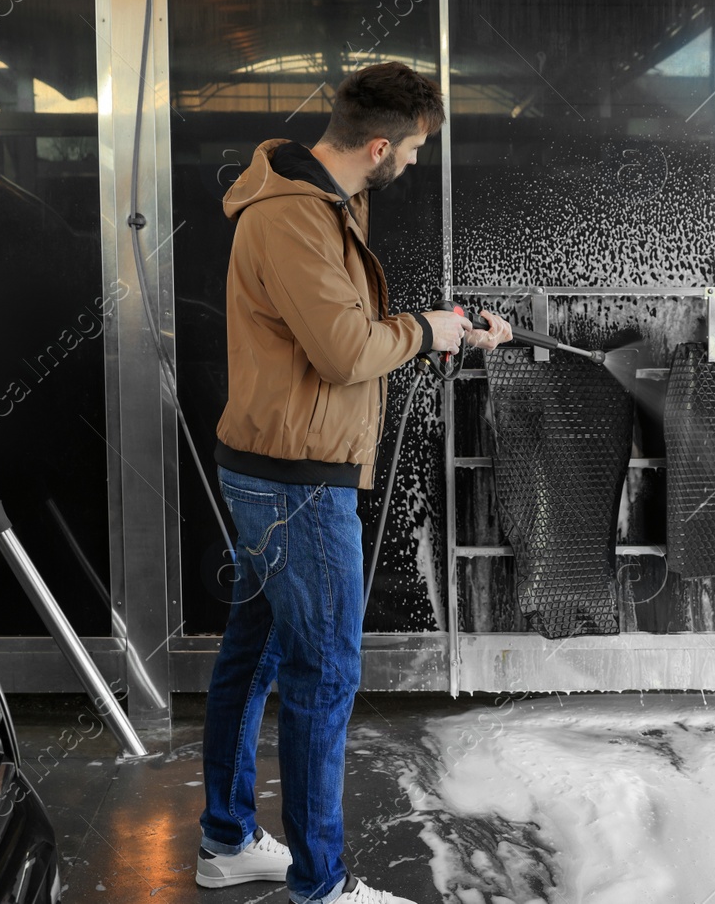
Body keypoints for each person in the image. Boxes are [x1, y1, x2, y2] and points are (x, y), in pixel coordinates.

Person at [195, 61, 511, 904]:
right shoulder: (296, 218)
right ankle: (322, 884)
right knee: (325, 675)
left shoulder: (325, 203)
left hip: (280, 468)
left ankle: (226, 839)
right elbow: (343, 352)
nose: (413, 163)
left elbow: (347, 331)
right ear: (379, 145)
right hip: (297, 482)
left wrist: (446, 334)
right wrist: (429, 327)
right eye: (412, 150)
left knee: (254, 657)